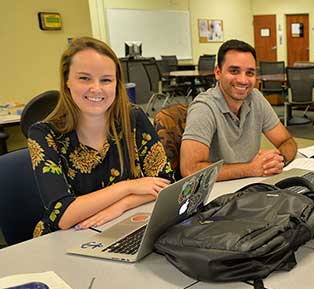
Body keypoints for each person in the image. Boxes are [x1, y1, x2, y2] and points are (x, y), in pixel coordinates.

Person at [28, 37, 174, 237]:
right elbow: (63, 214)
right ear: (67, 80)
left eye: (106, 80)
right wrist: (127, 187)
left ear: (116, 83)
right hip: (65, 238)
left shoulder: (134, 118)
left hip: (123, 225)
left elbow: (165, 184)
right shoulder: (43, 134)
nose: (96, 89)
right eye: (84, 78)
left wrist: (121, 205)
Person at [180, 39, 297, 181]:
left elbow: (287, 141)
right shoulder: (204, 108)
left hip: (250, 185)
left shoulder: (255, 98)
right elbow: (190, 169)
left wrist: (278, 160)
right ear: (218, 72)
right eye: (234, 71)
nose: (243, 80)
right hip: (217, 193)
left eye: (249, 73)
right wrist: (250, 169)